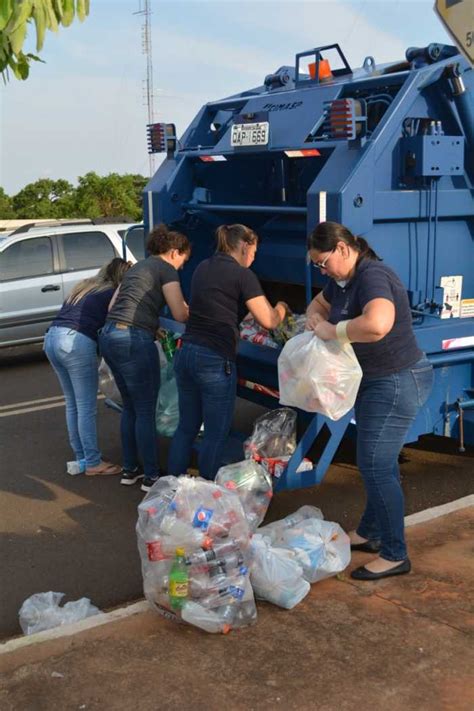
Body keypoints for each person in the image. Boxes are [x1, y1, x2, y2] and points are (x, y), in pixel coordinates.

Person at [306, 221, 433, 581]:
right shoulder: (343, 279)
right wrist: (316, 316)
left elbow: (378, 324)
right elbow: (319, 302)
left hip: (396, 380)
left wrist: (333, 330)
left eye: (324, 262)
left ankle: (395, 554)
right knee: (380, 462)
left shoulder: (374, 276)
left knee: (375, 464)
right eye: (318, 265)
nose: (322, 270)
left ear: (344, 249)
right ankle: (371, 532)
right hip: (376, 380)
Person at [168, 223, 288, 481]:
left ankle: (173, 487)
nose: (254, 259)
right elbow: (269, 320)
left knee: (187, 427)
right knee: (215, 433)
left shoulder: (203, 267)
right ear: (244, 246)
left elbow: (218, 303)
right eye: (254, 252)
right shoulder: (242, 275)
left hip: (186, 352)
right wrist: (281, 307)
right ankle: (207, 493)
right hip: (213, 360)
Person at [99, 224, 190, 493]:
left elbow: (112, 307)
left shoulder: (137, 268)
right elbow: (180, 313)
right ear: (174, 252)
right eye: (184, 258)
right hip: (133, 342)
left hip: (109, 335)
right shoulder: (166, 269)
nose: (184, 265)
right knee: (145, 410)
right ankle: (151, 476)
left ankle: (130, 469)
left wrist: (150, 325)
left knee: (130, 407)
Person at [44, 257, 130, 476]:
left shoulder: (84, 287)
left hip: (52, 338)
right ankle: (93, 463)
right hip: (75, 341)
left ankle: (82, 457)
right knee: (85, 406)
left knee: (72, 403)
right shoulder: (113, 292)